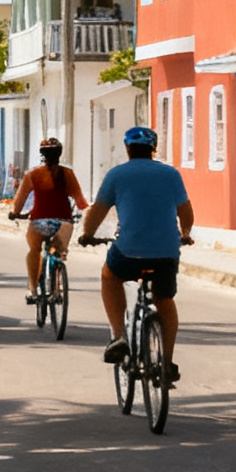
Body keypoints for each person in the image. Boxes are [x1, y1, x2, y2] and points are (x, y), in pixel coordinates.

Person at [79, 125, 195, 382]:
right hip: (166, 253)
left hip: (129, 252)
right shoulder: (170, 174)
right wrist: (185, 234)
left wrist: (88, 235)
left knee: (110, 276)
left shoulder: (117, 175)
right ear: (153, 149)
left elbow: (98, 210)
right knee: (164, 299)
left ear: (128, 148)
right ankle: (166, 363)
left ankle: (119, 335)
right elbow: (186, 211)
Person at [12, 139, 88, 304]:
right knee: (58, 252)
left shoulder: (32, 174)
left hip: (39, 222)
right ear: (59, 154)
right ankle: (57, 286)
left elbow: (19, 201)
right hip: (64, 223)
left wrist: (14, 213)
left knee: (34, 250)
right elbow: (80, 201)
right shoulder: (67, 174)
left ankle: (32, 290)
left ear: (42, 154)